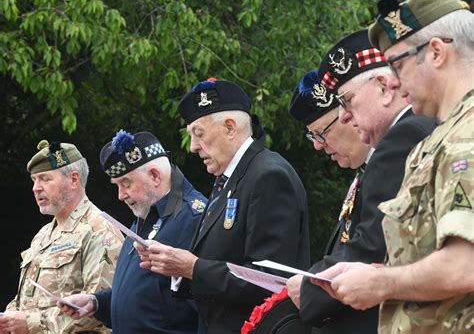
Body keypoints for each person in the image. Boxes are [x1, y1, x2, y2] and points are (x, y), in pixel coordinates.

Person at [313, 0, 474, 333]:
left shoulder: (467, 137)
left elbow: (465, 266)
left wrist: (380, 282)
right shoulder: (441, 137)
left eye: (398, 65)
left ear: (436, 52)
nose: (394, 83)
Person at [287, 29, 436, 334]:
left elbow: (374, 247)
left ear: (384, 86)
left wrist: (311, 288)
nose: (343, 116)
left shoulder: (403, 137)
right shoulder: (421, 128)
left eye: (347, 100)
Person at [135, 78, 311, 334]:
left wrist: (192, 267)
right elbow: (224, 259)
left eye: (199, 133)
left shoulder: (269, 176)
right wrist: (174, 264)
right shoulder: (228, 180)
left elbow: (270, 279)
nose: (194, 147)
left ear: (230, 128)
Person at [58, 130, 206, 333]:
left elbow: (210, 307)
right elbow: (147, 298)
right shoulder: (145, 217)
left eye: (126, 183)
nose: (120, 195)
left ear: (155, 176)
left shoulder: (195, 219)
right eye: (117, 186)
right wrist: (96, 303)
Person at [0, 140, 124, 334]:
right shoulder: (43, 235)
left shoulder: (100, 230)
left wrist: (31, 324)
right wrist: (8, 319)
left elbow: (99, 310)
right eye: (34, 180)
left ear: (74, 179)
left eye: (45, 179)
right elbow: (26, 301)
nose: (36, 188)